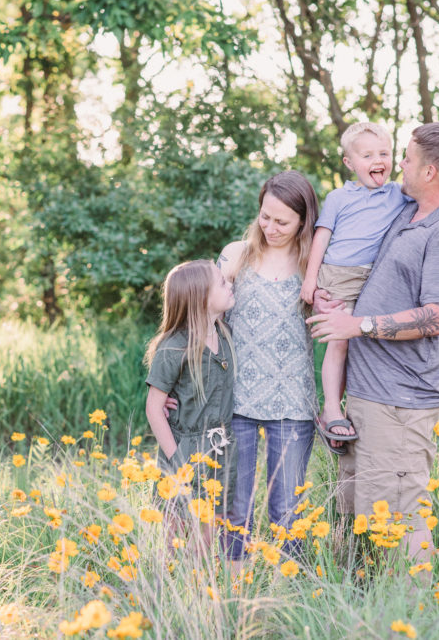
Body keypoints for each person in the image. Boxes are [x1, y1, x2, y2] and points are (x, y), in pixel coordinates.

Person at [306, 122, 439, 564]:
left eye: (406, 157)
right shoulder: (410, 209)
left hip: (401, 404)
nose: (398, 163)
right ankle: (362, 611)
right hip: (366, 395)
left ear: (429, 172)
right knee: (361, 518)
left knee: (397, 522)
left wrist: (357, 326)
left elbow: (438, 316)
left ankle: (415, 615)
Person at [217, 170, 320, 564]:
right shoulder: (237, 254)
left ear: (303, 220)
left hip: (292, 402)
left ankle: (286, 592)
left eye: (283, 221)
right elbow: (203, 315)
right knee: (234, 504)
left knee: (287, 511)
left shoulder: (313, 264)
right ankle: (232, 585)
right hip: (236, 398)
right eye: (265, 217)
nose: (271, 228)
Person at [300, 122, 409, 453]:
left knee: (364, 342)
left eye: (384, 153)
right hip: (339, 275)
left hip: (374, 278)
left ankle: (351, 408)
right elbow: (322, 236)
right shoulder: (339, 197)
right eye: (367, 155)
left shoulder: (398, 194)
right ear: (349, 162)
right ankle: (331, 409)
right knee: (340, 343)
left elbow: (438, 198)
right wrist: (310, 278)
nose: (378, 160)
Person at [144, 259, 238, 553]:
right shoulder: (174, 347)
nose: (230, 284)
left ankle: (201, 594)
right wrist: (178, 462)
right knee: (176, 533)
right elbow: (154, 409)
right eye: (222, 283)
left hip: (220, 450)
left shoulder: (225, 334)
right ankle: (166, 593)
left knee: (208, 539)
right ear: (201, 299)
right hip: (184, 451)